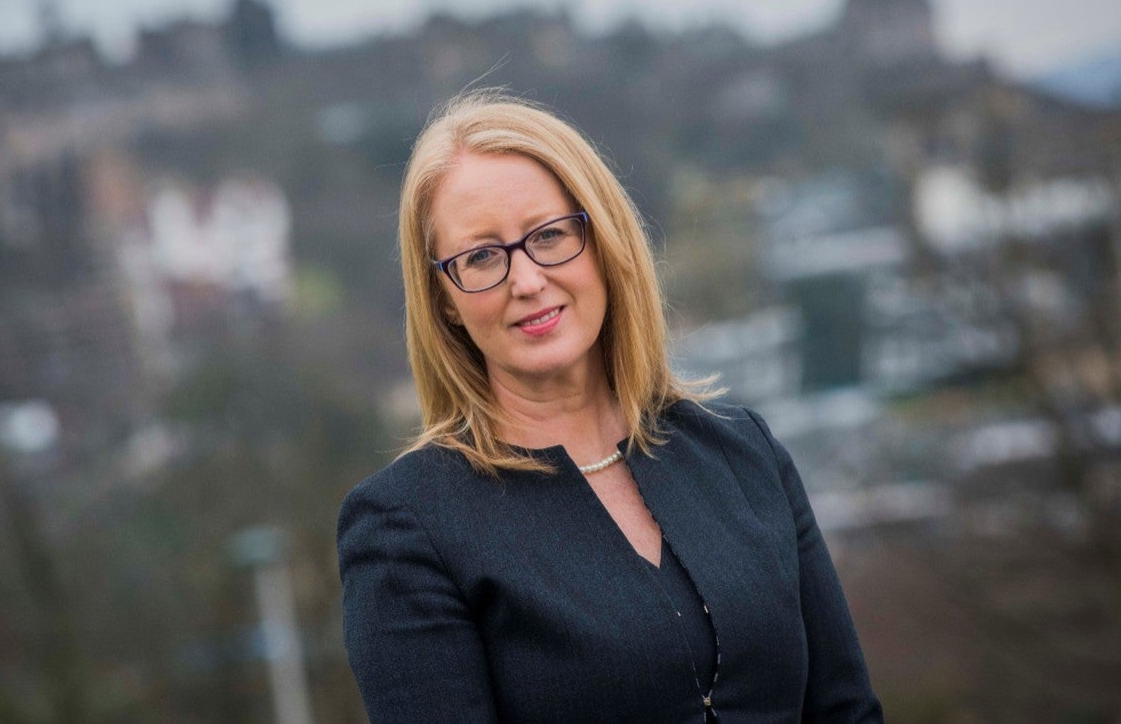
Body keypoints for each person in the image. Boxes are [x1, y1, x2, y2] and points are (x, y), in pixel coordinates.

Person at [337, 91, 883, 723]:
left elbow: (847, 712)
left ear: (603, 239)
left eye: (549, 235)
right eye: (481, 256)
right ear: (444, 300)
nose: (528, 279)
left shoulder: (744, 453)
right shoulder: (407, 528)